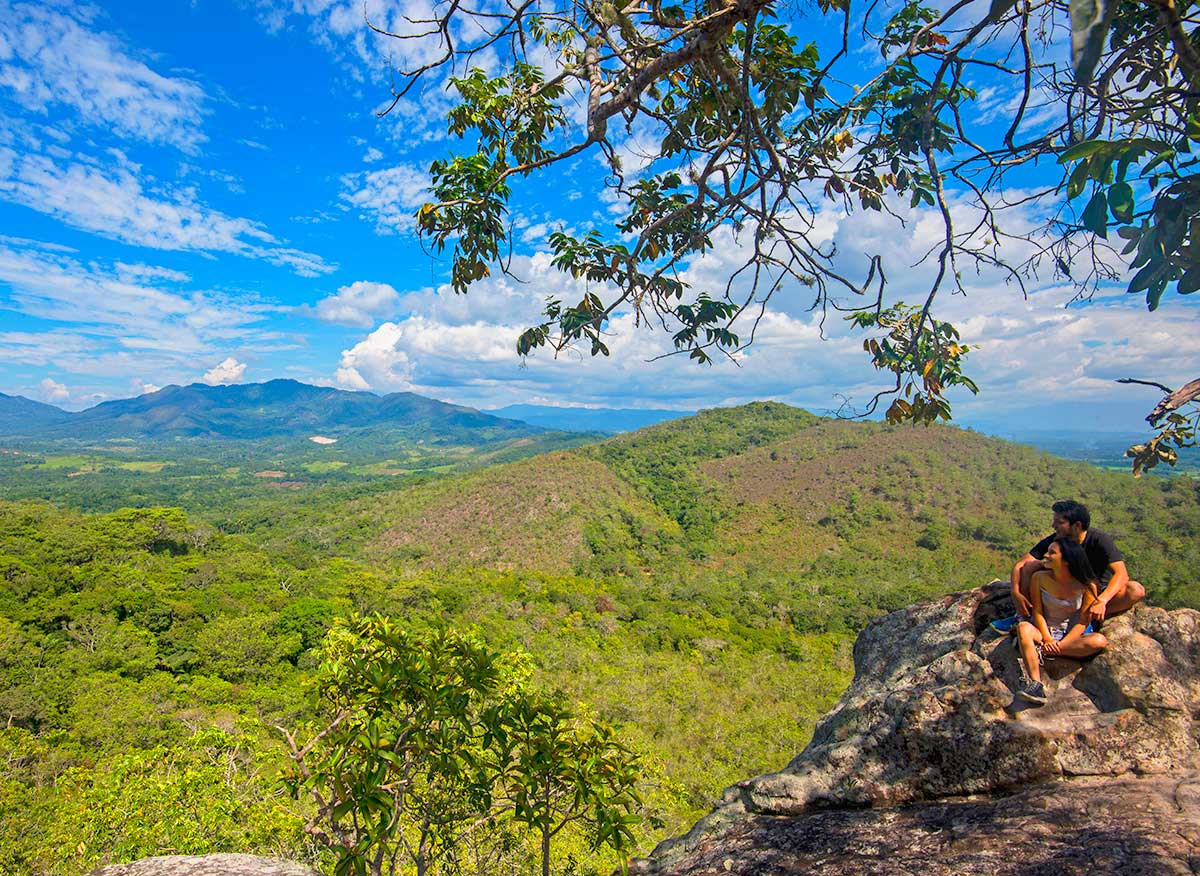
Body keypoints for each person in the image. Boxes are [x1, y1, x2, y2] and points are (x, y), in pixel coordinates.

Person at [992, 499, 1145, 632]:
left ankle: (1086, 617)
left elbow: (1122, 574)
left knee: (1135, 590)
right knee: (1030, 567)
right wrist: (1016, 593)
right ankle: (1024, 617)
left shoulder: (1100, 540)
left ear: (1077, 525)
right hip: (1064, 591)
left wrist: (1102, 601)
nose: (1053, 526)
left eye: (1059, 522)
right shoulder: (1058, 540)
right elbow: (1021, 564)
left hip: (1093, 593)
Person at [1013, 538, 1109, 704]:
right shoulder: (1039, 578)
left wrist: (1061, 644)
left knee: (1099, 641)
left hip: (1068, 636)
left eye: (1052, 553)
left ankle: (1043, 651)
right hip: (1043, 631)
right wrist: (1048, 638)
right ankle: (1036, 684)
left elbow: (1082, 621)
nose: (1046, 555)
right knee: (1023, 628)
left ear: (1066, 560)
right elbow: (1037, 611)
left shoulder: (1087, 586)